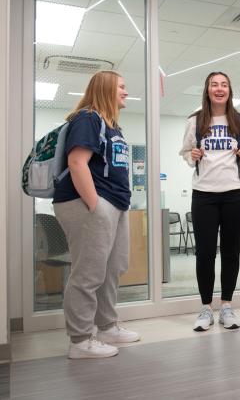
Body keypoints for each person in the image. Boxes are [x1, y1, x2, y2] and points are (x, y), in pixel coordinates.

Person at [53, 70, 140, 359]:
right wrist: (96, 206)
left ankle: (106, 327)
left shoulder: (111, 125)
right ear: (105, 89)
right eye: (122, 87)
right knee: (88, 273)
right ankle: (80, 341)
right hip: (88, 204)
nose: (126, 92)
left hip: (113, 204)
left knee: (112, 268)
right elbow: (77, 162)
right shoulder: (88, 118)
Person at [180, 71, 240, 332]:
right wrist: (192, 155)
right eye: (214, 84)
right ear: (207, 90)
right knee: (204, 252)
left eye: (224, 84)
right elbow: (186, 154)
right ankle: (206, 308)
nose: (219, 88)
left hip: (236, 194)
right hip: (203, 194)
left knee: (231, 251)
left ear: (229, 90)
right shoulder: (194, 121)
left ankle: (226, 306)